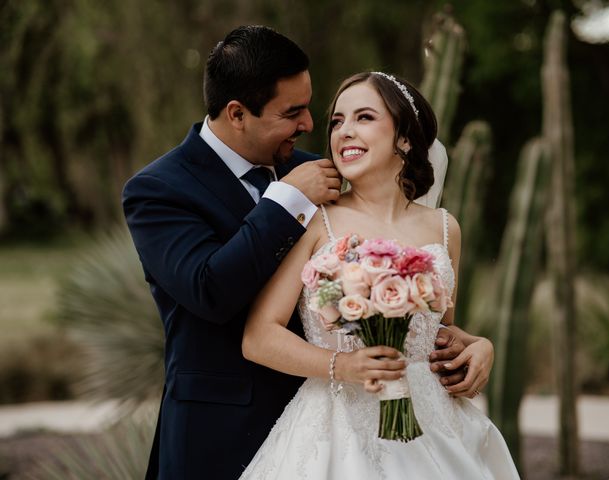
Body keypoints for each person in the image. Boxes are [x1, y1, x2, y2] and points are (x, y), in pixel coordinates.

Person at [123, 25, 488, 480]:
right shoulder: (159, 191)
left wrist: (476, 344)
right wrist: (285, 201)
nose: (312, 125)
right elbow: (209, 290)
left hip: (344, 421)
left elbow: (405, 301)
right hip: (221, 428)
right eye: (293, 111)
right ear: (237, 113)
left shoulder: (318, 169)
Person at [240, 72, 519, 479]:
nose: (344, 132)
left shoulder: (444, 228)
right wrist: (343, 364)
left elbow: (438, 335)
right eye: (337, 121)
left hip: (434, 428)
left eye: (364, 117)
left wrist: (480, 347)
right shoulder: (314, 220)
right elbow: (258, 336)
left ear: (405, 138)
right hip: (335, 432)